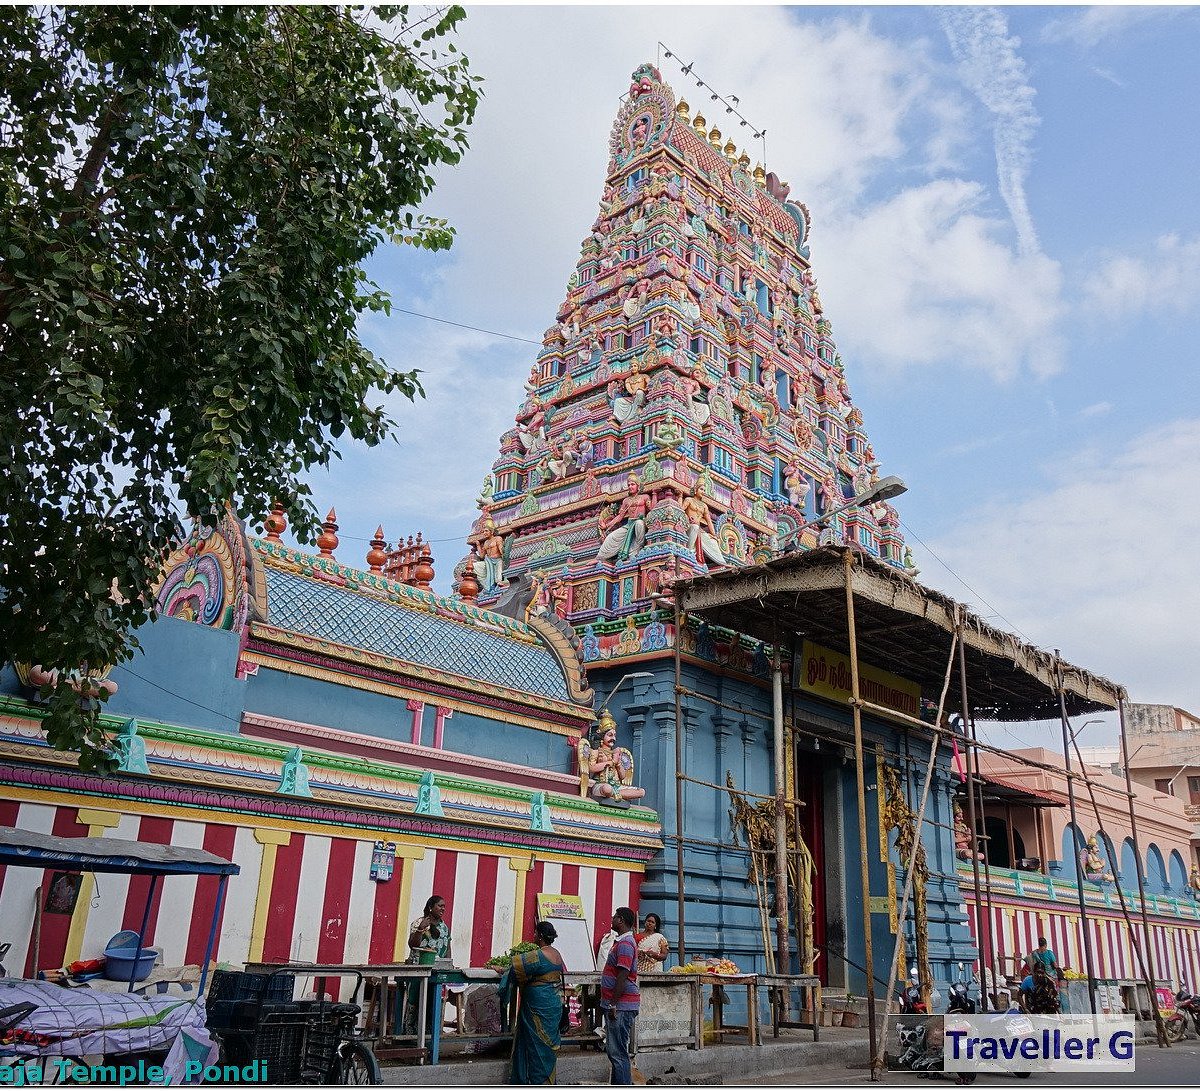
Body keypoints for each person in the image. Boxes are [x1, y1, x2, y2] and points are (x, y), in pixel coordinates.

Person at [499, 920, 565, 1085]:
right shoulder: (557, 953)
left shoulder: (538, 955)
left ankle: (534, 1082)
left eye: (535, 933)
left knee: (536, 1046)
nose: (534, 936)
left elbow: (515, 967)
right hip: (553, 1005)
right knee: (547, 1046)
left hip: (537, 1006)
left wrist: (501, 970)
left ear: (540, 936)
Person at [601, 907, 640, 1085]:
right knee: (615, 1051)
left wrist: (613, 1004)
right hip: (620, 1004)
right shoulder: (623, 942)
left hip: (621, 1005)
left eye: (615, 916)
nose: (611, 918)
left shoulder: (625, 944)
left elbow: (623, 975)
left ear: (621, 920)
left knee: (617, 1053)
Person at [406, 895, 452, 1032]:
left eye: (444, 906)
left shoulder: (444, 927)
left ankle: (430, 1034)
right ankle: (410, 1035)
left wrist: (449, 964)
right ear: (431, 907)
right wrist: (420, 929)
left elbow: (447, 946)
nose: (443, 908)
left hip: (437, 973)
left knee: (434, 1003)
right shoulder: (418, 923)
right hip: (418, 972)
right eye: (440, 906)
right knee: (415, 1002)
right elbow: (412, 945)